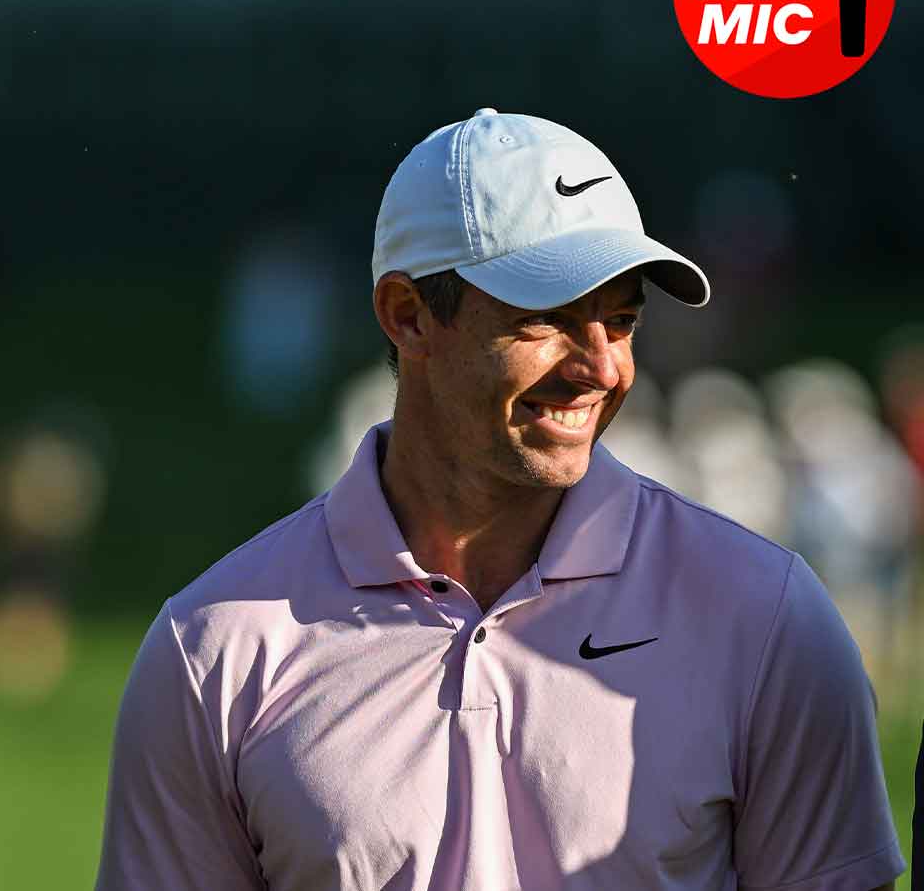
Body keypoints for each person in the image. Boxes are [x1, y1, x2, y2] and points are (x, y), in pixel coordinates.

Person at [96, 109, 903, 889]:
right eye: (547, 318)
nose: (602, 367)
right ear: (406, 316)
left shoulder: (767, 617)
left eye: (619, 321)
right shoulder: (213, 648)